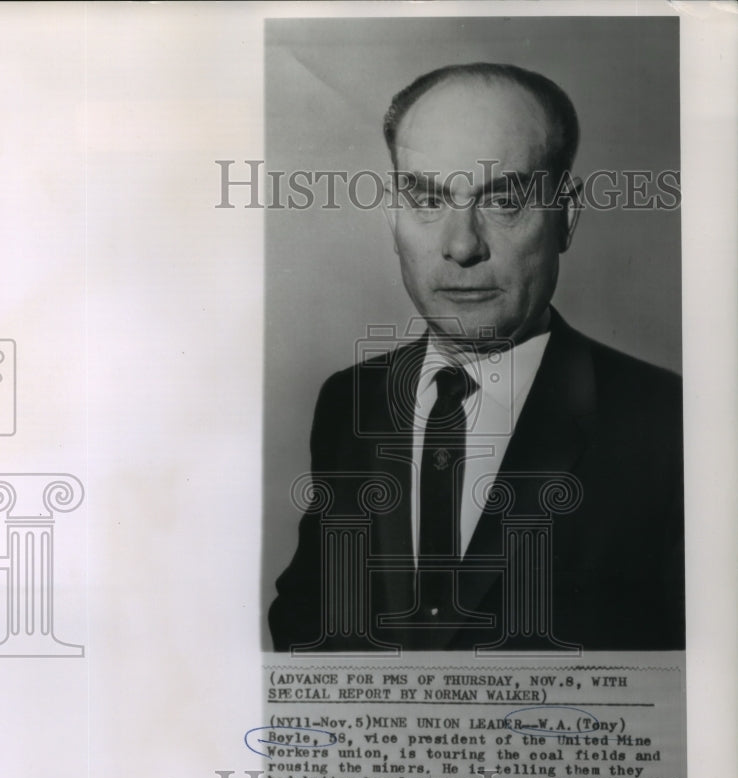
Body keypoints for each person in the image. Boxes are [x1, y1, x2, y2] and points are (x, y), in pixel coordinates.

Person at [269, 63, 684, 653]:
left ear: (566, 215)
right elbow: (307, 620)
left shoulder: (671, 423)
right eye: (427, 199)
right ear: (392, 214)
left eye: (505, 200)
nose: (462, 245)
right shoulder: (350, 400)